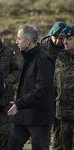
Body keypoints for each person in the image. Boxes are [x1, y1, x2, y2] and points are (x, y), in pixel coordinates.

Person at [7, 24, 55, 150]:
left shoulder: (44, 60)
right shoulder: (25, 57)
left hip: (39, 118)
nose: (16, 42)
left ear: (28, 40)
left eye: (19, 38)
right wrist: (20, 105)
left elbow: (41, 90)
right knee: (12, 146)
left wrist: (19, 103)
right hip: (22, 116)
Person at [40, 22, 67, 150]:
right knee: (43, 128)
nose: (58, 41)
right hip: (45, 92)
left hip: (62, 94)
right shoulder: (42, 49)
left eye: (61, 38)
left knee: (60, 129)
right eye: (55, 37)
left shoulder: (69, 49)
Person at [54, 24, 74, 150]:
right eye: (63, 39)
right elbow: (55, 85)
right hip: (63, 115)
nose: (64, 42)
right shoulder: (60, 58)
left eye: (69, 39)